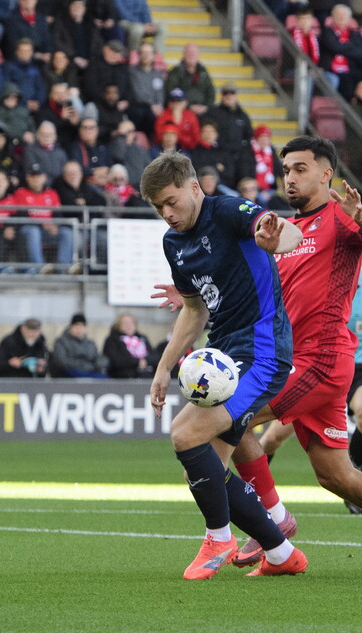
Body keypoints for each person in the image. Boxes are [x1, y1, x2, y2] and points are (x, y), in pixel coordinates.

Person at [154, 136, 362, 574]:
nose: (289, 178)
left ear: (326, 173)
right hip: (300, 361)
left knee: (221, 424)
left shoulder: (341, 218)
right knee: (336, 475)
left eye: (299, 169)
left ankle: (271, 522)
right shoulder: (282, 231)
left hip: (319, 360)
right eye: (285, 170)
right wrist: (196, 293)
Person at [141, 151, 306, 579]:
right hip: (225, 353)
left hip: (263, 350)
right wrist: (163, 368)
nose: (167, 213)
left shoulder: (229, 211)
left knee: (185, 434)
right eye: (158, 207)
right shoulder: (173, 243)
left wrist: (277, 241)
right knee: (204, 469)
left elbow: (283, 230)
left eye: (172, 201)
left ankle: (219, 537)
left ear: (195, 188)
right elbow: (194, 310)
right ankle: (282, 552)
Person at [257, 266, 362, 515]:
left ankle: (356, 489)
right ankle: (255, 492)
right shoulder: (315, 277)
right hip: (317, 366)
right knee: (272, 438)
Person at [50, 313, 108, 378]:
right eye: (76, 326)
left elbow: (99, 357)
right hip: (70, 372)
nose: (79, 329)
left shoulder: (90, 344)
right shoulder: (61, 342)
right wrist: (84, 365)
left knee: (104, 378)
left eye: (82, 326)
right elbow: (61, 361)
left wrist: (98, 364)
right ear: (71, 327)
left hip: (90, 371)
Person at [103, 313, 154, 378]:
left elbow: (154, 356)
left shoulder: (142, 338)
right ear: (118, 325)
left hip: (147, 374)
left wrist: (145, 361)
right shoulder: (112, 340)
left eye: (131, 323)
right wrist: (138, 362)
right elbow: (118, 361)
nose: (128, 325)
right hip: (123, 376)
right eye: (125, 323)